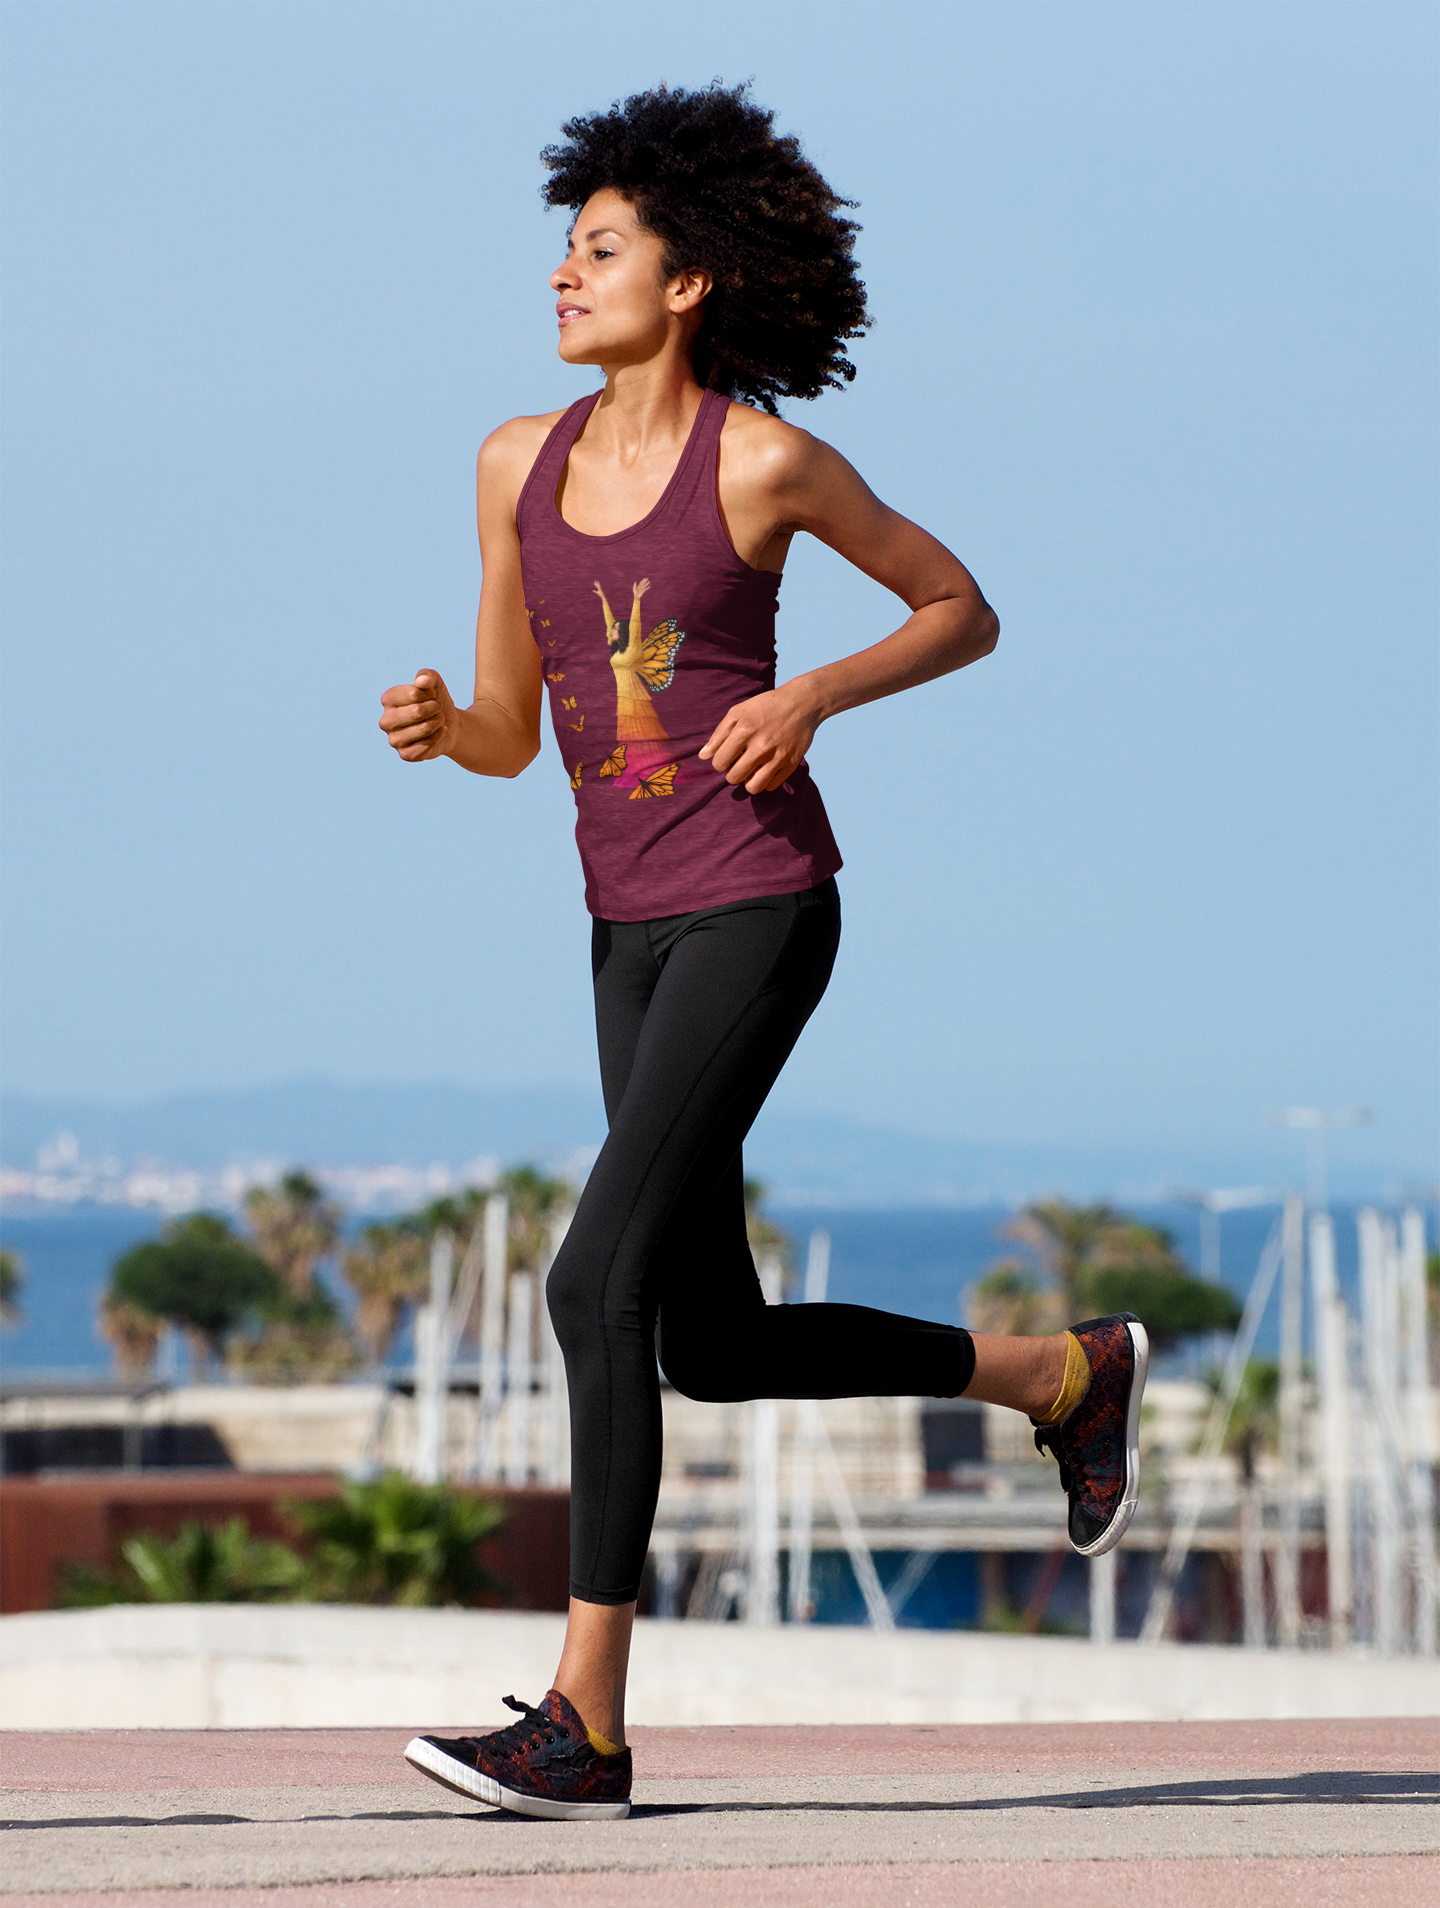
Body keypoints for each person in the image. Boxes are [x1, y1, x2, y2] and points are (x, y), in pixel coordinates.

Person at [382, 82, 1148, 1822]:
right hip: (625, 925)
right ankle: (1058, 1373)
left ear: (692, 276)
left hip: (758, 906)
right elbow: (519, 726)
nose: (564, 279)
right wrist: (450, 724)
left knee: (594, 1287)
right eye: (563, 253)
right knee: (706, 1343)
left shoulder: (767, 462)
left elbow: (961, 603)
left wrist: (811, 695)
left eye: (600, 251)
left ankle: (586, 1723)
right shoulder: (519, 460)